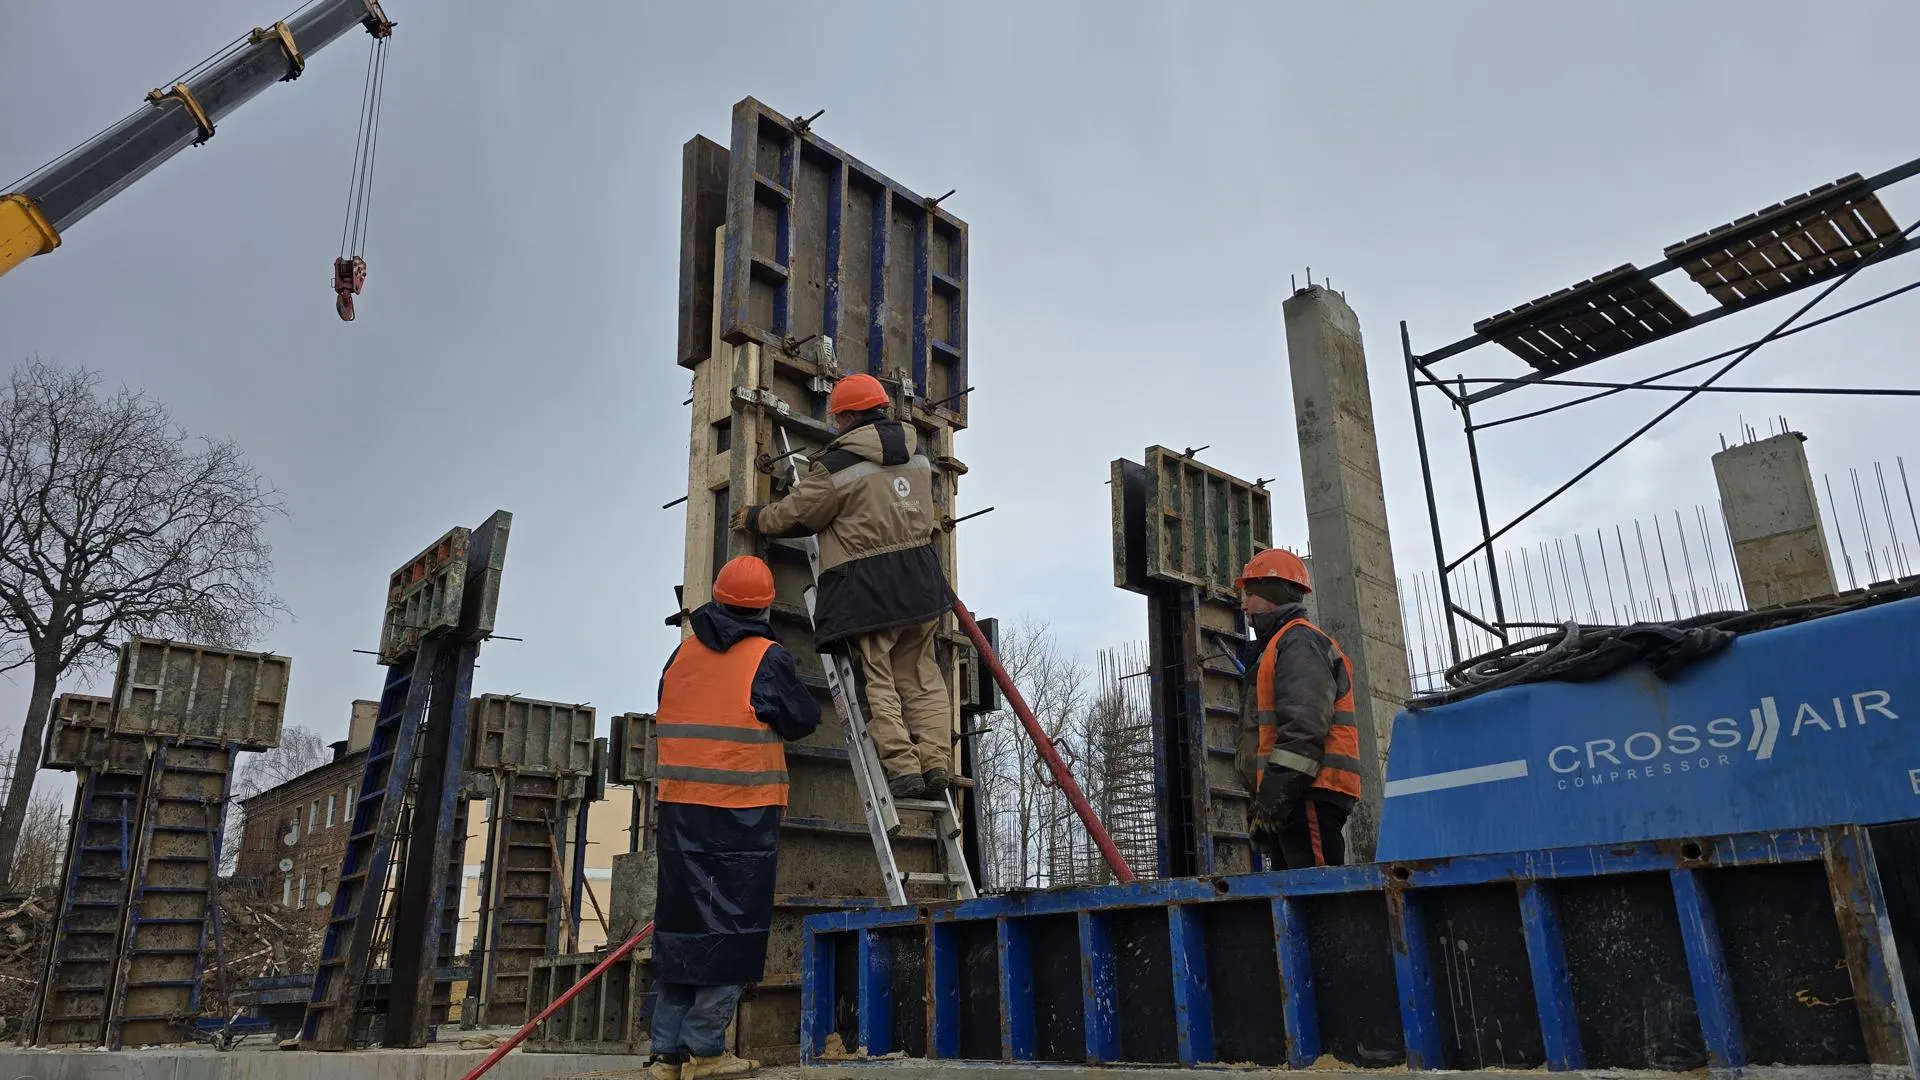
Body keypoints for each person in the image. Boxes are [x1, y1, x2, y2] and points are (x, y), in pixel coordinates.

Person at [729, 373, 955, 800]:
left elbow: (799, 514)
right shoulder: (919, 457)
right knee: (924, 679)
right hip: (923, 584)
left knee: (879, 680)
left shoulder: (837, 466)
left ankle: (904, 770)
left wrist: (757, 517)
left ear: (848, 416)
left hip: (870, 589)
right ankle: (936, 762)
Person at [648, 555, 820, 1080]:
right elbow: (801, 720)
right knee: (733, 925)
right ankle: (705, 1051)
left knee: (681, 926)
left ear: (717, 598)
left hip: (679, 811)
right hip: (741, 814)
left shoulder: (680, 655)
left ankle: (667, 1054)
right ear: (766, 606)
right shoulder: (765, 657)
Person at [1234, 548, 1361, 868]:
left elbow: (1303, 731)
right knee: (1295, 904)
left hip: (1308, 793)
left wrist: (1273, 802)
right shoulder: (1283, 644)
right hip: (1297, 795)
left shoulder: (1298, 642)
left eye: (1250, 594)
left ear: (1272, 594)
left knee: (1318, 900)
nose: (1244, 605)